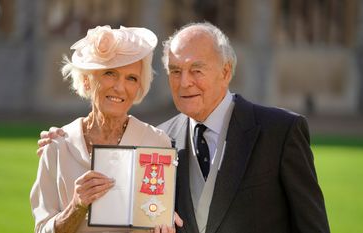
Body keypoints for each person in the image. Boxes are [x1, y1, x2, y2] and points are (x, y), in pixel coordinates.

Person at [38, 22, 330, 233]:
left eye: (197, 70)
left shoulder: (280, 131)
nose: (184, 82)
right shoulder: (163, 139)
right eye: (175, 71)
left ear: (226, 72)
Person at [30, 25, 182, 233]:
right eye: (110, 73)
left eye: (131, 78)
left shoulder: (156, 143)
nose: (120, 87)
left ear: (139, 86)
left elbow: (159, 217)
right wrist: (76, 206)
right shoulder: (57, 146)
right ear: (86, 79)